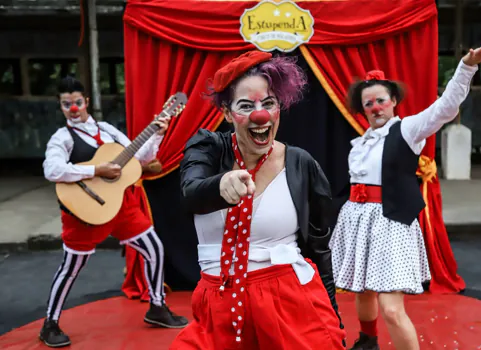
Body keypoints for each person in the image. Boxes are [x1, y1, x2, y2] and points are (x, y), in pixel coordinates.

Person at [329, 42, 481, 350]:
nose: (376, 107)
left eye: (381, 100)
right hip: (357, 220)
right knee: (363, 291)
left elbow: (445, 107)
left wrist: (466, 67)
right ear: (362, 108)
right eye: (369, 104)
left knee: (392, 310)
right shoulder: (361, 143)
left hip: (390, 223)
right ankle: (367, 342)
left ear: (393, 101)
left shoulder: (408, 130)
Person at [170, 51, 346, 350]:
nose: (260, 115)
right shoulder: (208, 148)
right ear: (227, 113)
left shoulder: (301, 164)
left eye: (268, 104)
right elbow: (191, 193)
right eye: (245, 105)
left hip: (289, 300)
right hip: (219, 303)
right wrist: (221, 184)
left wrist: (332, 318)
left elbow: (318, 250)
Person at [39, 76, 188, 348]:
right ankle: (50, 323)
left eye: (78, 102)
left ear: (87, 101)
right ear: (61, 107)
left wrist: (157, 131)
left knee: (154, 249)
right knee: (71, 268)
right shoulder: (62, 138)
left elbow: (141, 158)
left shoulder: (107, 130)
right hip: (85, 212)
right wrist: (97, 170)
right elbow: (52, 170)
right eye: (66, 104)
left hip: (123, 206)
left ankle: (157, 307)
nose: (73, 108)